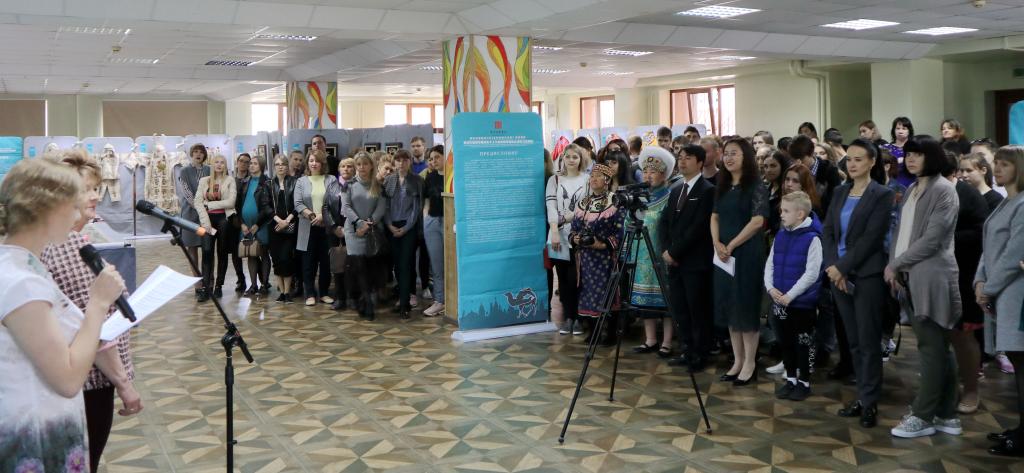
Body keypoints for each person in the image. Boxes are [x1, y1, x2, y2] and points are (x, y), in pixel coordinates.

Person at [0, 157, 127, 470]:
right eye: (72, 205)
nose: (76, 214)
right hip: (33, 435)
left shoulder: (24, 266)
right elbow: (68, 379)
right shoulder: (20, 281)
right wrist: (98, 304)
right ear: (48, 210)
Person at [40, 150, 142, 472]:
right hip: (89, 381)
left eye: (95, 188)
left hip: (78, 377)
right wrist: (124, 384)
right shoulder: (67, 247)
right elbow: (91, 327)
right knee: (86, 462)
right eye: (85, 190)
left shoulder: (62, 241)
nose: (95, 196)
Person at [882, 137, 962, 438]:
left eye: (917, 154)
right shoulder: (913, 189)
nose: (910, 159)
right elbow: (900, 232)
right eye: (908, 155)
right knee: (937, 347)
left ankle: (923, 414)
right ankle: (947, 414)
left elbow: (932, 239)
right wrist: (895, 264)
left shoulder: (943, 190)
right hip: (910, 275)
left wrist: (896, 263)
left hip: (932, 276)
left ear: (933, 157)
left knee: (932, 348)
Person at [822, 138, 894, 429]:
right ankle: (861, 397)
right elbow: (828, 231)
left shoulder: (882, 194)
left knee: (868, 341)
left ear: (872, 162)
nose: (851, 164)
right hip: (837, 276)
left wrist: (842, 267)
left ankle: (870, 400)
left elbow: (871, 239)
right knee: (852, 341)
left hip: (865, 276)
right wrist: (832, 267)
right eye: (849, 159)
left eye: (858, 159)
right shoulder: (840, 191)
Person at [974, 145, 1024, 457]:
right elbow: (989, 247)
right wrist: (980, 280)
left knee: (1022, 362)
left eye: (1005, 164)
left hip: (1016, 293)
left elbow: (1014, 254)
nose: (998, 169)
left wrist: (988, 287)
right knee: (1019, 363)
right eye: (997, 163)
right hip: (1000, 290)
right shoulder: (1007, 202)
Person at [711, 138, 768, 385]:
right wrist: (717, 243)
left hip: (746, 253)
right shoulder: (723, 185)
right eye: (726, 153)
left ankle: (750, 363)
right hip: (723, 254)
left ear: (746, 156)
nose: (729, 158)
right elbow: (714, 217)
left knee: (745, 307)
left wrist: (732, 245)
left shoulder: (756, 185)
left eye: (734, 153)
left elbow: (758, 221)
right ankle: (737, 360)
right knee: (729, 306)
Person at [660, 144, 716, 370]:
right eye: (680, 157)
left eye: (688, 158)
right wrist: (666, 250)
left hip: (695, 260)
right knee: (680, 308)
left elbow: (699, 227)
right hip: (674, 261)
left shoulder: (707, 190)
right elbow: (665, 222)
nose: (682, 161)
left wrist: (675, 251)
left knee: (697, 309)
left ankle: (700, 353)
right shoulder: (676, 189)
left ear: (700, 163)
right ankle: (686, 349)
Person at [765, 191, 822, 401]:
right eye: (781, 210)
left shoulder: (812, 239)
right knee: (785, 341)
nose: (781, 214)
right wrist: (770, 288)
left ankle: (804, 382)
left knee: (802, 343)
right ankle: (790, 379)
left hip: (801, 304)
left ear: (800, 214)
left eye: (786, 211)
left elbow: (812, 273)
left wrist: (791, 295)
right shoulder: (781, 235)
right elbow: (770, 263)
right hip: (780, 301)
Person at [945, 151, 990, 414]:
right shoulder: (924, 191)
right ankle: (948, 387)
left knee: (964, 335)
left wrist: (946, 239)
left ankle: (971, 389)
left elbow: (980, 234)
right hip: (938, 275)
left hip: (964, 274)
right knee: (943, 335)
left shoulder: (968, 195)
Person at [570, 163, 625, 344]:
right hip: (585, 259)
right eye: (592, 176)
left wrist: (602, 244)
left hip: (605, 257)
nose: (593, 179)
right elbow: (574, 228)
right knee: (587, 292)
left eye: (598, 176)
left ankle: (610, 333)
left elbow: (620, 231)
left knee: (607, 291)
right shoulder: (583, 202)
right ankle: (593, 331)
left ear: (607, 180)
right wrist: (575, 238)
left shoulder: (615, 201)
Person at [631, 147, 676, 358]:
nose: (648, 176)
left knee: (666, 300)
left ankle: (667, 341)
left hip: (661, 255)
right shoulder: (640, 198)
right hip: (642, 256)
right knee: (645, 300)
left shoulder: (670, 198)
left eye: (653, 171)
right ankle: (650, 339)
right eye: (645, 171)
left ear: (664, 175)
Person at [547, 144, 589, 335]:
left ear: (581, 159)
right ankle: (568, 317)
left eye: (575, 157)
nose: (571, 160)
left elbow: (583, 208)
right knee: (563, 279)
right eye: (568, 156)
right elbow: (551, 206)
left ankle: (579, 317)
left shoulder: (587, 180)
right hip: (557, 236)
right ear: (562, 158)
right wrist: (554, 230)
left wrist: (564, 219)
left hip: (578, 236)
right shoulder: (554, 180)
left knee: (576, 278)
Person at [343, 152, 388, 320]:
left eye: (365, 164)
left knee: (370, 268)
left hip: (371, 231)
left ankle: (364, 298)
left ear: (371, 166)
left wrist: (367, 224)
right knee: (358, 266)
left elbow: (381, 209)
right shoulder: (348, 185)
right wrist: (359, 223)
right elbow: (346, 207)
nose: (362, 167)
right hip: (353, 231)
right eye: (359, 164)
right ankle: (367, 302)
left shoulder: (378, 185)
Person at [295, 150, 341, 306]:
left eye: (317, 161)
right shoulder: (301, 181)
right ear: (307, 163)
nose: (314, 163)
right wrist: (311, 215)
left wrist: (322, 216)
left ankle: (324, 293)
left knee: (326, 262)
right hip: (307, 226)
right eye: (311, 160)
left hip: (327, 226)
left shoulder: (331, 179)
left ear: (323, 163)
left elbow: (335, 201)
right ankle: (309, 293)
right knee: (308, 262)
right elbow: (298, 203)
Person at [383, 150, 424, 320]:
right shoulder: (388, 180)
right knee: (397, 265)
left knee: (406, 264)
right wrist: (389, 225)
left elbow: (416, 208)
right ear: (394, 162)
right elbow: (384, 205)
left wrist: (406, 228)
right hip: (392, 225)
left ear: (409, 162)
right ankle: (401, 298)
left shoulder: (417, 180)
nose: (401, 163)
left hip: (409, 227)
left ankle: (405, 303)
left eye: (405, 160)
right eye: (398, 160)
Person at [195, 155, 237, 299]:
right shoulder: (204, 181)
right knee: (206, 252)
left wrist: (209, 204)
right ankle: (206, 287)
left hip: (224, 219)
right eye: (216, 162)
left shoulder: (230, 180)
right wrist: (205, 223)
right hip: (206, 220)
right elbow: (198, 202)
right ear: (212, 165)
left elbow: (231, 202)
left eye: (222, 162)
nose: (219, 165)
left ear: (226, 165)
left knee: (222, 252)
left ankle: (218, 286)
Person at [237, 155, 274, 295]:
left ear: (262, 166)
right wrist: (242, 223)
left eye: (255, 163)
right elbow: (238, 205)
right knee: (251, 254)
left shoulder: (267, 182)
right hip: (246, 225)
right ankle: (253, 285)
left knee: (263, 253)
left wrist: (258, 224)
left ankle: (264, 284)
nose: (251, 165)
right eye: (250, 163)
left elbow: (268, 207)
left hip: (261, 224)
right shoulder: (245, 182)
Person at [178, 143, 210, 301]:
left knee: (207, 249)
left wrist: (208, 206)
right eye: (195, 152)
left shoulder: (209, 170)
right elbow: (187, 193)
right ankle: (197, 284)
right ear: (191, 154)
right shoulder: (184, 171)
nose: (198, 154)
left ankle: (208, 282)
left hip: (208, 214)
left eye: (201, 152)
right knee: (192, 249)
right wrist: (200, 206)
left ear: (204, 155)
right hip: (190, 214)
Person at [326, 158, 356, 310]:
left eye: (349, 166)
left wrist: (349, 228)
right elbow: (325, 208)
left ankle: (353, 297)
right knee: (338, 266)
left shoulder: (358, 185)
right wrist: (334, 227)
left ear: (354, 169)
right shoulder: (332, 186)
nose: (346, 169)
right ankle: (340, 298)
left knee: (354, 266)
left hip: (354, 231)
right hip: (335, 232)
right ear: (338, 169)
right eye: (343, 166)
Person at [268, 154, 298, 303]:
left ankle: (287, 292)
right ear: (274, 166)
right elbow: (265, 206)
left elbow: (298, 204)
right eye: (277, 164)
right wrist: (278, 220)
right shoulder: (268, 184)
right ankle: (281, 292)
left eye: (283, 164)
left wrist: (287, 220)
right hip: (274, 226)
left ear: (287, 166)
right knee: (276, 260)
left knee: (286, 258)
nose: (280, 167)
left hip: (289, 225)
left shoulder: (295, 182)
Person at [422, 145, 446, 317]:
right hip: (432, 221)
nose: (434, 161)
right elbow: (426, 200)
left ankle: (454, 299)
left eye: (437, 157)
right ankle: (439, 300)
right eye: (431, 158)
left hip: (449, 222)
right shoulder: (430, 177)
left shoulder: (453, 176)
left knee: (452, 263)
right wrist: (426, 218)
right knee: (436, 264)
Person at [791, 135, 841, 217]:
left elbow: (835, 202)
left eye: (801, 159)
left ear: (811, 153)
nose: (798, 163)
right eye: (794, 159)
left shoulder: (829, 170)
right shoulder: (792, 170)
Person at [229, 153, 252, 294]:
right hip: (233, 220)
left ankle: (260, 280)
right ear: (237, 162)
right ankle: (240, 279)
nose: (244, 164)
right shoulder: (230, 180)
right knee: (235, 251)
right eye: (241, 161)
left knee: (252, 250)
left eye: (247, 162)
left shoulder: (251, 180)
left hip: (249, 219)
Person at [763, 151, 792, 240]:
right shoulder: (765, 190)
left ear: (782, 166)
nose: (768, 170)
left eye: (773, 166)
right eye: (766, 166)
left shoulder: (788, 190)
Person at [884, 116, 916, 187]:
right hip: (890, 185)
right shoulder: (886, 148)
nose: (900, 131)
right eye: (897, 128)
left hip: (912, 183)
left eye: (904, 128)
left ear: (909, 131)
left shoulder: (915, 148)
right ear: (894, 130)